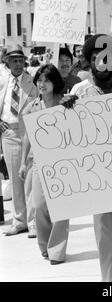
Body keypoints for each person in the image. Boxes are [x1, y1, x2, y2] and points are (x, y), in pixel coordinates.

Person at [62, 34, 112, 282]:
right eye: (96, 59)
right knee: (107, 241)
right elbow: (69, 136)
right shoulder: (79, 92)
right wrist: (66, 111)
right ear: (88, 60)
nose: (102, 63)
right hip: (98, 177)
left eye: (107, 58)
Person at [19, 65, 69, 264]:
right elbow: (27, 137)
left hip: (63, 161)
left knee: (61, 208)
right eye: (39, 80)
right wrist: (23, 163)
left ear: (54, 82)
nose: (42, 84)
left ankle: (57, 251)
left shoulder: (65, 103)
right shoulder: (32, 107)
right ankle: (45, 245)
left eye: (46, 80)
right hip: (40, 162)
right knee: (39, 205)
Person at [0, 46, 37, 237]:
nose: (17, 63)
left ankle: (33, 222)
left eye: (20, 60)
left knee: (29, 179)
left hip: (28, 134)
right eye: (13, 60)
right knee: (15, 178)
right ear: (7, 62)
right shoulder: (2, 81)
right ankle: (19, 220)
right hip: (9, 133)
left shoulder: (32, 82)